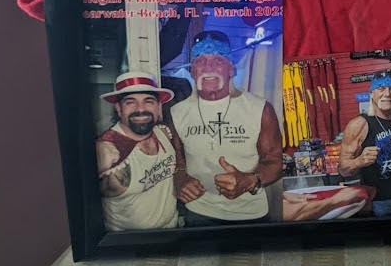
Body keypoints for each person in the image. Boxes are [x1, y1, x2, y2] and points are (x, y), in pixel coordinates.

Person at [169, 30, 282, 225]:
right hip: (198, 211)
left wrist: (251, 180)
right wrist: (179, 178)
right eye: (200, 61)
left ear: (231, 69)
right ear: (192, 71)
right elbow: (177, 158)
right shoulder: (176, 112)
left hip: (250, 213)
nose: (209, 67)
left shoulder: (260, 109)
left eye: (218, 60)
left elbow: (276, 161)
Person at [96, 72, 178, 232]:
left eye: (149, 101)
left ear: (159, 107)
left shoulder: (162, 133)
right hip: (129, 241)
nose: (140, 109)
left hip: (172, 229)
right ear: (119, 108)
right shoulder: (107, 151)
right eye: (130, 102)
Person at [339, 72, 391, 217]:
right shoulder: (359, 124)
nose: (387, 93)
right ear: (372, 94)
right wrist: (359, 161)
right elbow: (343, 169)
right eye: (381, 88)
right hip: (378, 201)